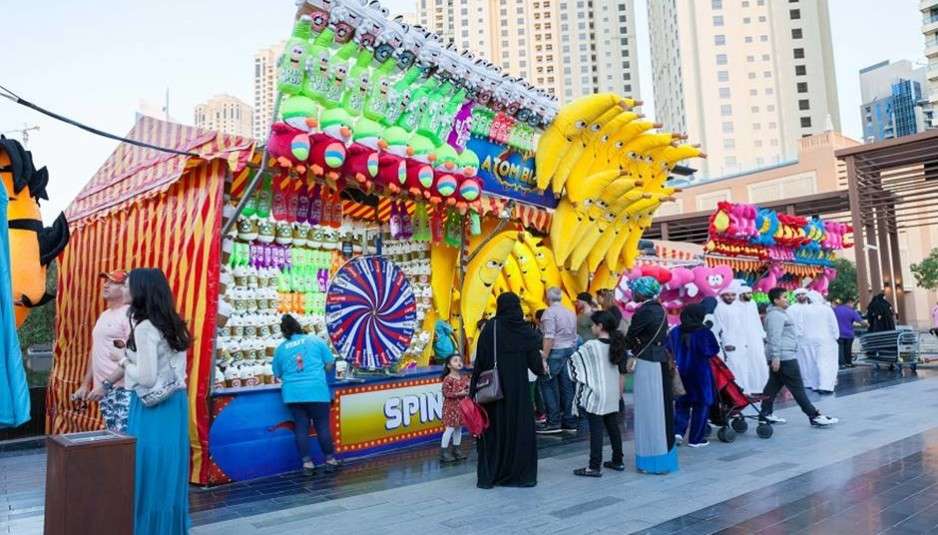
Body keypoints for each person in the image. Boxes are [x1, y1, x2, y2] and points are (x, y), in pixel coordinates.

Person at [90, 268, 191, 535]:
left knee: (147, 470)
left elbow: (146, 378)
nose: (124, 290)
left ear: (141, 291)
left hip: (151, 408)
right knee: (168, 471)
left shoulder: (145, 327)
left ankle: (147, 529)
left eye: (128, 286)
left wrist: (123, 360)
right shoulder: (173, 323)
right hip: (175, 403)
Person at [471, 292, 545, 489]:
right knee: (519, 430)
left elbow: (480, 362)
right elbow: (536, 365)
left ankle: (494, 474)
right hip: (519, 391)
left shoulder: (490, 329)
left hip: (494, 393)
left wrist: (472, 393)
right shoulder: (524, 330)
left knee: (496, 431)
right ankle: (521, 476)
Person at [761, 287, 838, 428]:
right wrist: (776, 357)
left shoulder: (779, 313)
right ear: (776, 300)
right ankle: (814, 415)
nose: (787, 299)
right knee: (798, 388)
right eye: (784, 297)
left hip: (784, 356)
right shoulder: (776, 316)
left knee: (772, 386)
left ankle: (765, 414)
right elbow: (774, 337)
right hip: (785, 357)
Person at [623, 276, 678, 474]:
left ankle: (651, 460)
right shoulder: (660, 309)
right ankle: (664, 459)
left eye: (635, 290)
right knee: (661, 410)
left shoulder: (644, 312)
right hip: (660, 360)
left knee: (649, 411)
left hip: (648, 363)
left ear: (641, 292)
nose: (632, 294)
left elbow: (630, 337)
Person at [272, 314, 338, 473]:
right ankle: (330, 460)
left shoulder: (280, 349)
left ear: (283, 331)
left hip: (293, 394)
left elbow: (277, 373)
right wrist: (322, 371)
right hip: (317, 391)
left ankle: (307, 464)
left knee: (301, 427)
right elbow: (330, 363)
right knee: (322, 426)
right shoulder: (315, 340)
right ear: (298, 326)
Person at [567, 310, 627, 477]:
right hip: (612, 392)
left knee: (596, 430)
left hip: (596, 394)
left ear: (600, 326)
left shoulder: (591, 346)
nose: (592, 327)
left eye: (593, 324)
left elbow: (573, 367)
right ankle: (618, 460)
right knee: (613, 427)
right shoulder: (617, 344)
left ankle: (594, 466)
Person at [72, 270, 132, 432]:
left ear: (126, 288)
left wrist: (106, 385)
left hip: (124, 389)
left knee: (125, 440)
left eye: (113, 282)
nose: (106, 285)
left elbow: (133, 356)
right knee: (114, 438)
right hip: (105, 389)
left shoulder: (130, 315)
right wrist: (85, 384)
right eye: (106, 281)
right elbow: (96, 349)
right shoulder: (105, 315)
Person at [667, 303, 719, 448]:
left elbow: (668, 349)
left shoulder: (675, 332)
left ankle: (678, 432)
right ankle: (696, 439)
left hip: (680, 374)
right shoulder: (704, 332)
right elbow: (712, 351)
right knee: (701, 405)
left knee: (682, 404)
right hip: (700, 374)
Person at [537, 287, 579, 434]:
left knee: (546, 383)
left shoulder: (549, 313)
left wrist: (544, 357)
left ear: (547, 298)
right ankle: (569, 420)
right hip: (569, 350)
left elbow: (549, 336)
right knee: (567, 386)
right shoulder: (570, 312)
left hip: (555, 351)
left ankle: (553, 421)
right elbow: (575, 336)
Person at [734, 284, 769, 395]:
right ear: (741, 294)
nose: (750, 295)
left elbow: (756, 320)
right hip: (742, 338)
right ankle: (750, 388)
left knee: (759, 360)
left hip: (755, 337)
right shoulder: (735, 306)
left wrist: (762, 334)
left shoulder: (752, 303)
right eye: (747, 293)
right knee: (747, 363)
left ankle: (764, 386)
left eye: (750, 293)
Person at [809, 291, 841, 395]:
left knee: (814, 364)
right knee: (827, 363)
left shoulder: (806, 310)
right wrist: (836, 336)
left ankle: (815, 385)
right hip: (827, 340)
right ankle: (826, 386)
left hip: (811, 341)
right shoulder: (826, 309)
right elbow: (834, 325)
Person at [787, 288, 819, 391]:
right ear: (796, 297)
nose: (801, 296)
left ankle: (814, 381)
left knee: (813, 359)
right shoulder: (791, 309)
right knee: (801, 361)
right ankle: (805, 382)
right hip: (797, 339)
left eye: (803, 294)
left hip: (812, 337)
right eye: (798, 295)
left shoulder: (812, 307)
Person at [440, 354, 470, 463]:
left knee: (459, 428)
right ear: (449, 365)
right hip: (451, 408)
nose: (459, 362)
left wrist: (467, 391)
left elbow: (467, 388)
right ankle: (444, 452)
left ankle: (456, 449)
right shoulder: (448, 379)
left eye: (460, 360)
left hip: (461, 408)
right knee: (450, 429)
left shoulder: (464, 378)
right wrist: (459, 393)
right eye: (455, 360)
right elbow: (446, 393)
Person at [834, 298, 866, 369]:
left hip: (838, 334)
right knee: (848, 349)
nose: (853, 305)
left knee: (840, 349)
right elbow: (861, 322)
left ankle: (841, 364)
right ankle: (848, 363)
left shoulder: (836, 309)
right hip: (849, 334)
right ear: (849, 302)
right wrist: (868, 325)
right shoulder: (851, 311)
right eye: (853, 304)